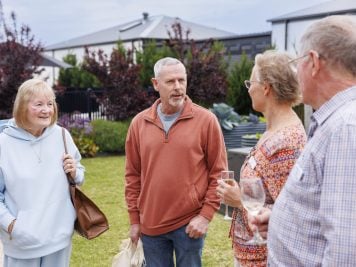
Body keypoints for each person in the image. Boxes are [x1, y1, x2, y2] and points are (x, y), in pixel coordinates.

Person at [251, 15, 356, 266]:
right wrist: (277, 220)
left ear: (314, 62)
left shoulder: (345, 128)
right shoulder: (333, 122)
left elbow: (344, 249)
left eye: (298, 62)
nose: (295, 73)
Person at [124, 57, 227, 267]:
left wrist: (205, 216)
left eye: (182, 80)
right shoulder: (139, 123)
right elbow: (132, 176)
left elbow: (219, 173)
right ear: (155, 84)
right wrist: (135, 220)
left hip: (189, 224)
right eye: (171, 81)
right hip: (151, 224)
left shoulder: (206, 121)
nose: (178, 87)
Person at [217, 50, 306, 267]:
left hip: (266, 258)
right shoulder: (273, 131)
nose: (249, 89)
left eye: (251, 83)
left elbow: (292, 216)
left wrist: (239, 199)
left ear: (266, 87)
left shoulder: (287, 142)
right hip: (253, 255)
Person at [0, 78, 85, 267]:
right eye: (38, 104)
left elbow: (79, 175)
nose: (46, 110)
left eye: (50, 103)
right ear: (22, 107)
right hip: (22, 244)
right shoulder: (3, 144)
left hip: (59, 239)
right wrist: (13, 226)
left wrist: (74, 172)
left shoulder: (61, 135)